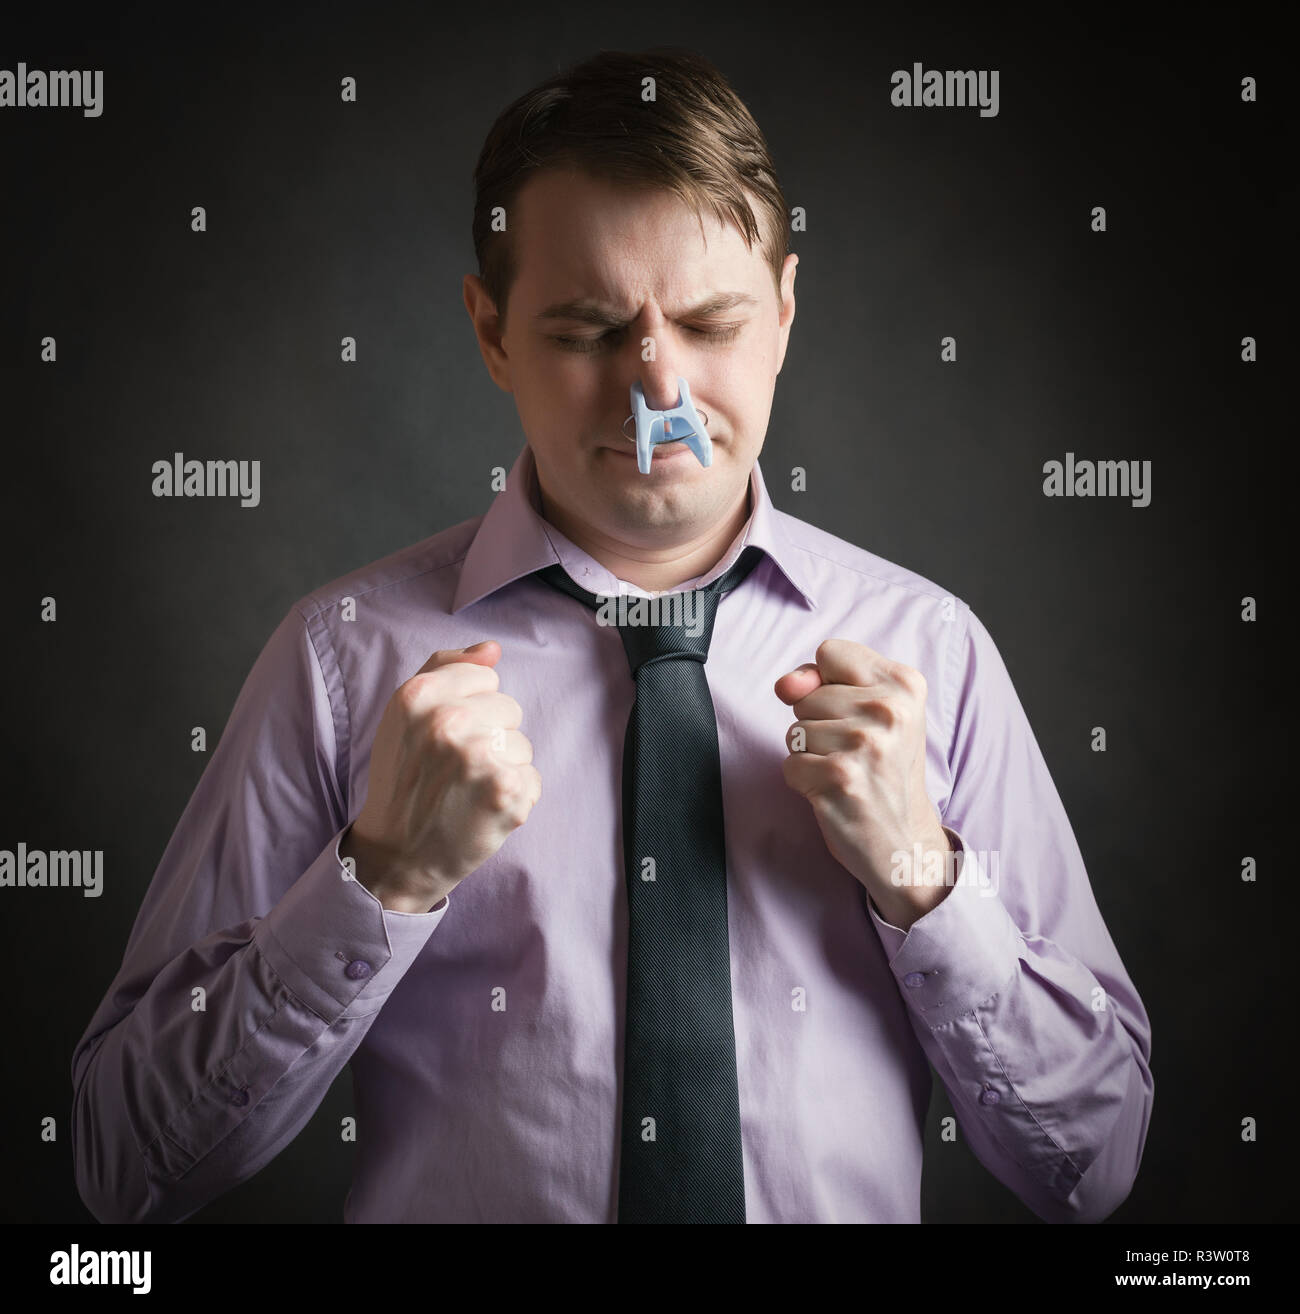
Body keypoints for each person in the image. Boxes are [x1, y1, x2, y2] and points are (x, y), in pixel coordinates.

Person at [71, 46, 1153, 1224]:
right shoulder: (339, 662)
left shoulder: (933, 653)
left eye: (710, 322)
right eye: (589, 331)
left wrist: (924, 880)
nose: (657, 393)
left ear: (783, 314)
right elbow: (122, 1168)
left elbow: (1092, 1168)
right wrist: (376, 878)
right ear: (490, 331)